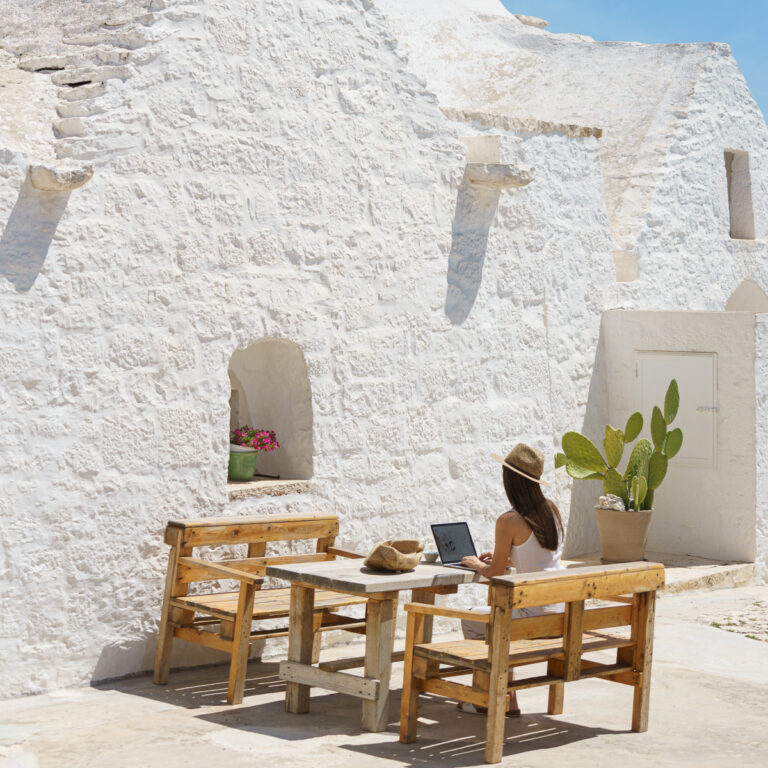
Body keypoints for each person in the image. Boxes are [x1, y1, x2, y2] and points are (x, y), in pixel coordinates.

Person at [457, 443, 565, 716]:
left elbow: (494, 576)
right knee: (502, 615)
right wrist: (509, 555)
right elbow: (541, 557)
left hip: (531, 615)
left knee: (473, 617)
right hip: (559, 612)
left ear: (511, 482)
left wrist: (477, 564)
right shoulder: (551, 510)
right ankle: (508, 698)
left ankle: (486, 695)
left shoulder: (508, 520)